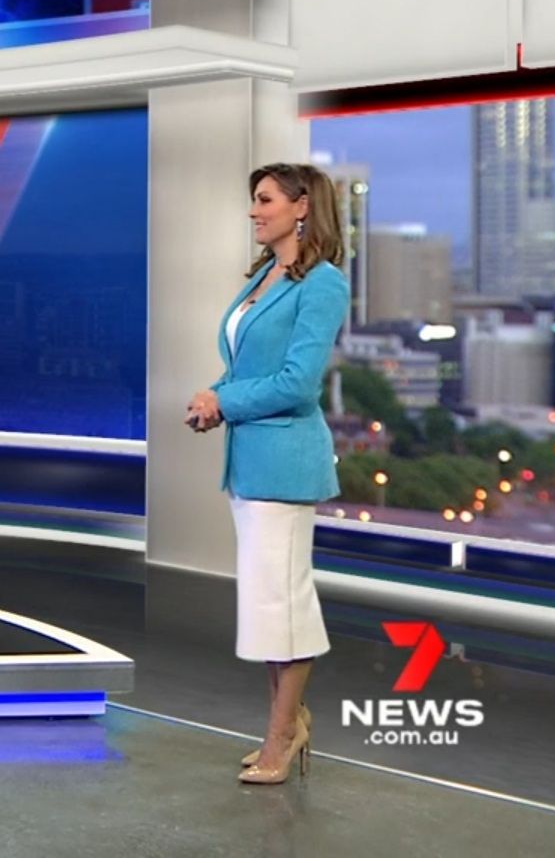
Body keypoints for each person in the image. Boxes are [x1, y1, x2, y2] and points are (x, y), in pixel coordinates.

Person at [185, 162, 350, 785]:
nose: (254, 211)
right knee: (265, 606)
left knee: (284, 605)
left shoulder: (323, 284)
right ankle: (286, 722)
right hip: (249, 464)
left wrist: (225, 401)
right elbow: (248, 366)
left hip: (285, 463)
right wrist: (214, 398)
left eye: (264, 199)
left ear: (301, 206)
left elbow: (298, 383)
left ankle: (282, 735)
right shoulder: (264, 275)